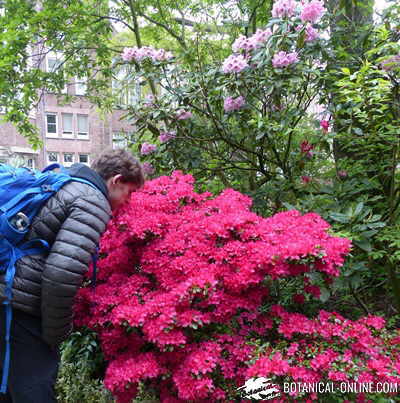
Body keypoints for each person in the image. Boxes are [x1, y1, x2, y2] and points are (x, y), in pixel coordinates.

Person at [0, 148, 144, 402]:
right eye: (129, 192)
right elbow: (61, 276)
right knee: (34, 391)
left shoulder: (65, 181)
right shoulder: (92, 201)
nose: (127, 201)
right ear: (116, 180)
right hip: (21, 307)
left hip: (7, 295)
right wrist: (55, 334)